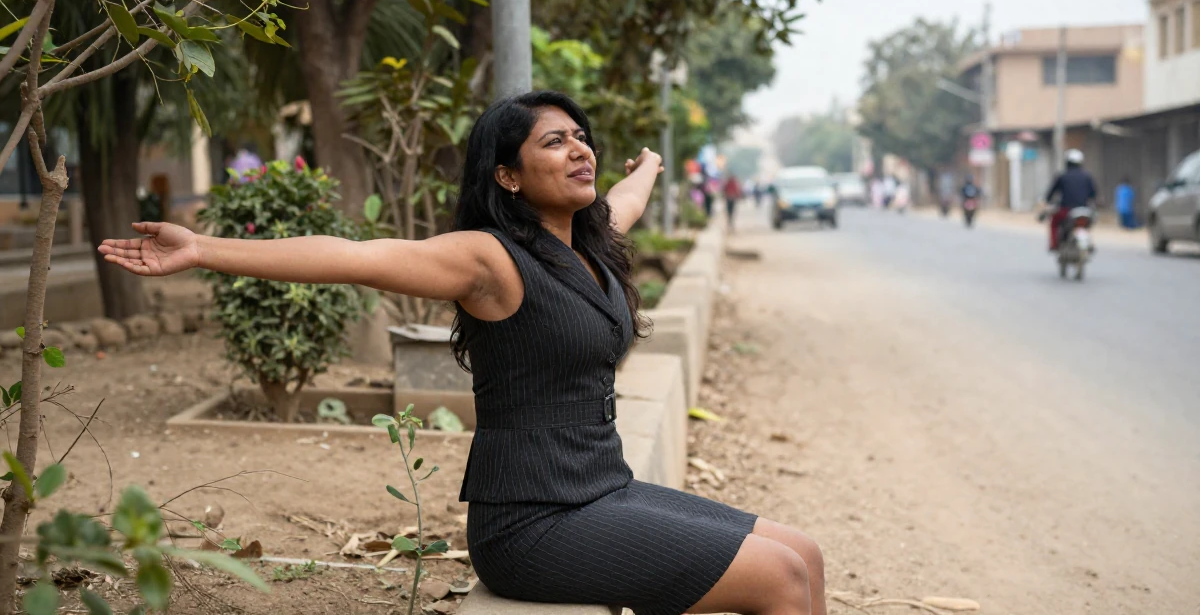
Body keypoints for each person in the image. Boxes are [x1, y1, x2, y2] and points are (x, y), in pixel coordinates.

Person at [98, 91, 826, 615]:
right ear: (507, 176)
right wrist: (204, 250)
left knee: (806, 555)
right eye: (554, 141)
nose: (579, 149)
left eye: (582, 137)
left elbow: (625, 201)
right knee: (780, 580)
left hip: (603, 488)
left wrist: (650, 168)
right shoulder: (489, 260)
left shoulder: (591, 244)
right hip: (536, 522)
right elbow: (356, 256)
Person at [1042, 148, 1097, 251]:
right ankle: (1090, 243)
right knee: (1088, 224)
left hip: (1066, 210)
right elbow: (1093, 194)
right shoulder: (1087, 177)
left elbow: (1051, 193)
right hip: (1084, 209)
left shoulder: (1062, 176)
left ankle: (1054, 245)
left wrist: (1048, 201)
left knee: (1054, 222)